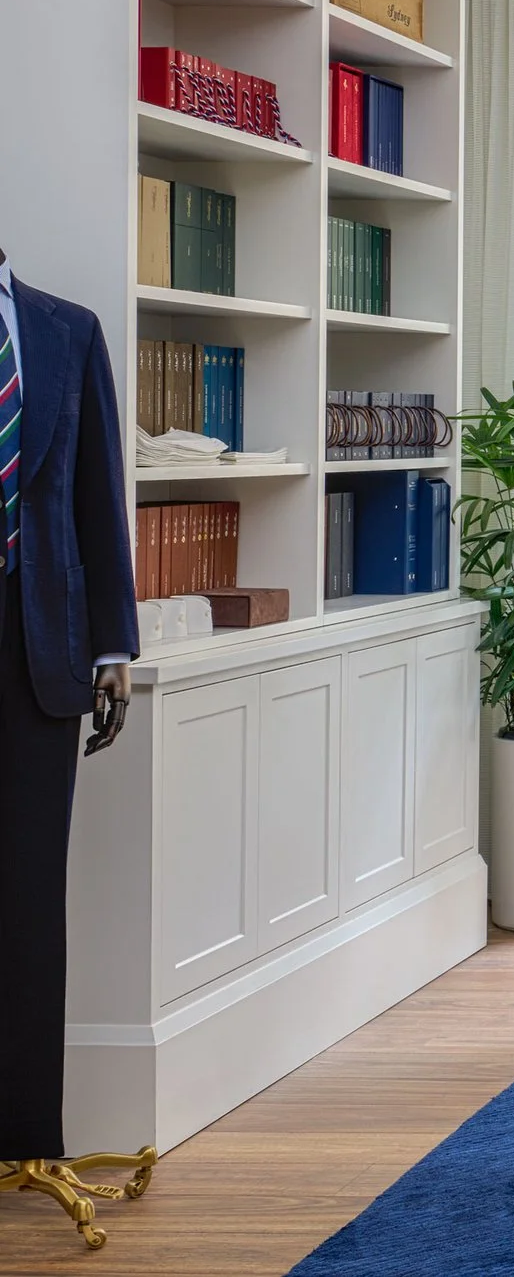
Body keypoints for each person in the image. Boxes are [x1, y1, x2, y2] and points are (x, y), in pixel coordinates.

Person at [0, 247, 140, 1164]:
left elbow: (98, 495)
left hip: (38, 649)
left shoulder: (66, 329)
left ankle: (23, 1135)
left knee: (27, 898)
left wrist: (111, 643)